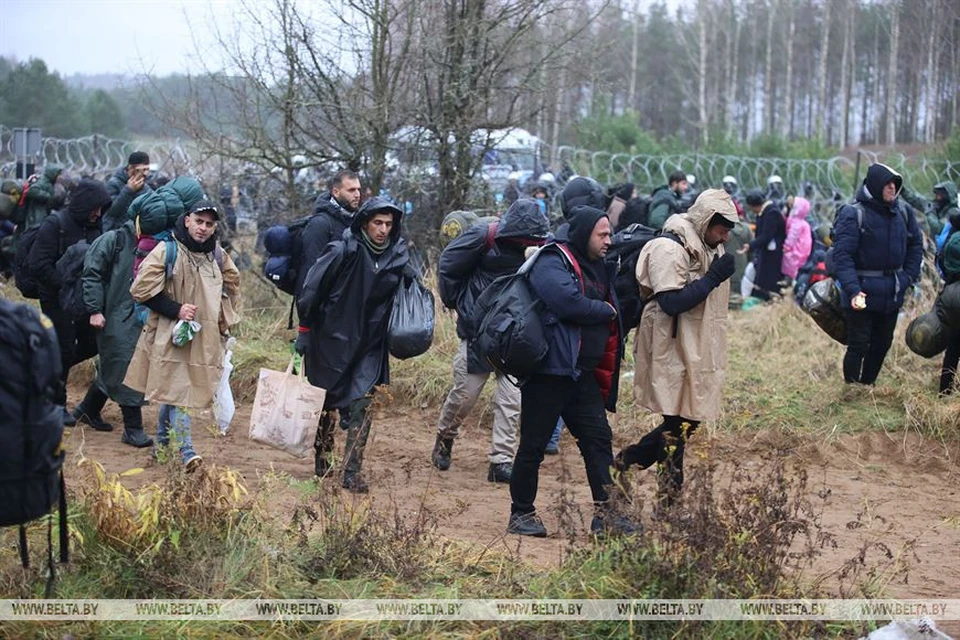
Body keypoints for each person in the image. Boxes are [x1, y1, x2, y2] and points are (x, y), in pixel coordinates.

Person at [507, 205, 636, 538]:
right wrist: (606, 310)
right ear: (584, 234)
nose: (609, 240)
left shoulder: (597, 265)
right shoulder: (552, 260)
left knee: (598, 441)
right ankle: (521, 514)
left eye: (609, 233)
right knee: (533, 446)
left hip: (581, 374)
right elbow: (567, 302)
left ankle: (606, 515)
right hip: (550, 373)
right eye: (602, 234)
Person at [615, 189, 738, 507]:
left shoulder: (708, 246)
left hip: (693, 342)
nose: (724, 236)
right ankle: (662, 492)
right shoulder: (668, 248)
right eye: (720, 229)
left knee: (687, 417)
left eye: (727, 231)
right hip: (668, 343)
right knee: (678, 419)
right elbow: (671, 302)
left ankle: (627, 466)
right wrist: (712, 277)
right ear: (705, 221)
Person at [295, 197, 410, 493]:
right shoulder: (342, 250)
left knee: (362, 403)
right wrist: (305, 330)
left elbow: (410, 295)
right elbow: (311, 290)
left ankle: (352, 470)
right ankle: (323, 457)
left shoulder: (398, 256)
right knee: (326, 401)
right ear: (364, 223)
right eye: (377, 223)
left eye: (388, 224)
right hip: (331, 338)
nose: (383, 230)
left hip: (370, 343)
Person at [432, 199, 549, 482]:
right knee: (465, 395)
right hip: (478, 332)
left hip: (515, 335)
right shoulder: (484, 234)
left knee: (511, 399)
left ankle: (501, 460)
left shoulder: (542, 246)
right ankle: (445, 437)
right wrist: (460, 305)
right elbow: (448, 265)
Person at [125, 201, 242, 471]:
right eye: (199, 221)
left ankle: (162, 445)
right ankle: (186, 450)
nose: (203, 228)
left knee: (174, 389)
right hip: (171, 334)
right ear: (187, 220)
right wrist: (176, 309)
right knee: (180, 388)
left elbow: (233, 286)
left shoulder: (218, 256)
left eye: (209, 224)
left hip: (205, 337)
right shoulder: (167, 251)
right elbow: (140, 291)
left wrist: (223, 319)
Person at [29, 178, 111, 426]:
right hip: (55, 297)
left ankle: (43, 369)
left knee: (92, 342)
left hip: (82, 297)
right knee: (64, 347)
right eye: (94, 208)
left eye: (101, 209)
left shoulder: (96, 226)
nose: (97, 213)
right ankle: (56, 404)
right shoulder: (56, 224)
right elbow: (38, 264)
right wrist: (63, 284)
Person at [832, 163, 922, 386]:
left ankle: (868, 384)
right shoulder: (853, 214)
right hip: (861, 291)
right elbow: (842, 256)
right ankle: (852, 388)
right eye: (887, 183)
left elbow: (916, 246)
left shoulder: (903, 212)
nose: (892, 188)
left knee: (883, 343)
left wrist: (906, 278)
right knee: (859, 343)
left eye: (895, 183)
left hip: (892, 290)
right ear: (875, 184)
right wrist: (853, 290)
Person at [78, 213, 156, 447]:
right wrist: (94, 309)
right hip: (113, 314)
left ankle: (87, 409)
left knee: (115, 363)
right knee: (126, 361)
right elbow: (91, 274)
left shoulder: (154, 243)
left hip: (132, 313)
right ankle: (133, 429)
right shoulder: (115, 240)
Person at [295, 170, 362, 297]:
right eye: (351, 190)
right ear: (336, 192)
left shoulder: (357, 221)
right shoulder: (320, 224)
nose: (357, 195)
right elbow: (311, 271)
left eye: (358, 189)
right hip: (322, 304)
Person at [745, 189, 786, 300]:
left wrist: (751, 245)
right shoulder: (766, 212)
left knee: (768, 281)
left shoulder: (771, 213)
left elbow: (766, 236)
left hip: (773, 255)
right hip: (767, 252)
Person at [102, 152, 152, 233]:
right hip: (115, 232)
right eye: (142, 170)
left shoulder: (145, 186)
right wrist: (128, 190)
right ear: (130, 168)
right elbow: (111, 211)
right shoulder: (113, 183)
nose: (145, 173)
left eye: (147, 169)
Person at [19, 164, 64, 230]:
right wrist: (47, 196)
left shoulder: (50, 184)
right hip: (35, 216)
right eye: (58, 174)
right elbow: (31, 190)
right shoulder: (42, 182)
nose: (60, 177)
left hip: (41, 214)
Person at [781, 196, 813, 286]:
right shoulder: (801, 222)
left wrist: (786, 246)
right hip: (802, 248)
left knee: (790, 261)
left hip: (797, 247)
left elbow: (792, 236)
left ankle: (789, 281)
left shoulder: (796, 222)